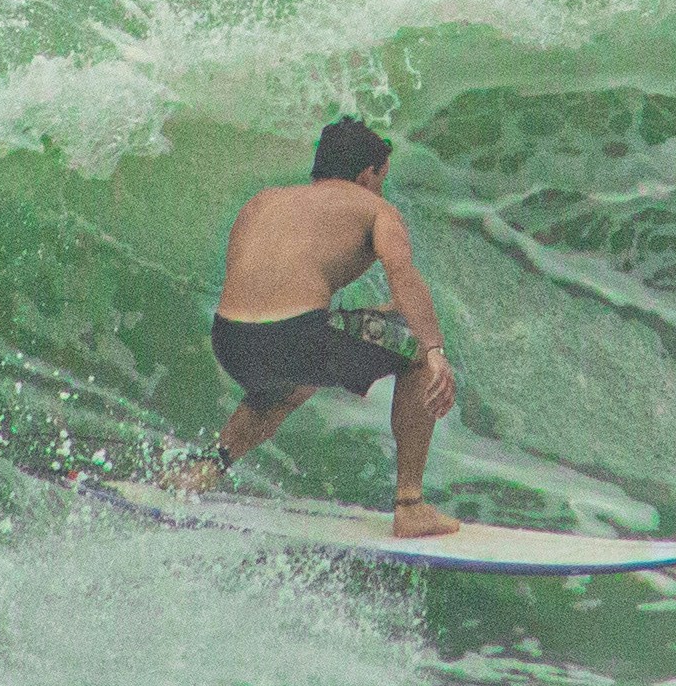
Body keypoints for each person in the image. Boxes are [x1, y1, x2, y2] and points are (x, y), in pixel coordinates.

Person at [165, 116, 466, 535]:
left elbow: (258, 290)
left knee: (291, 380)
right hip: (300, 337)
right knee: (411, 345)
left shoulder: (263, 202)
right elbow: (402, 273)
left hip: (231, 340)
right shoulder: (375, 207)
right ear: (368, 173)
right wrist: (433, 350)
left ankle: (204, 469)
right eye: (382, 177)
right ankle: (410, 505)